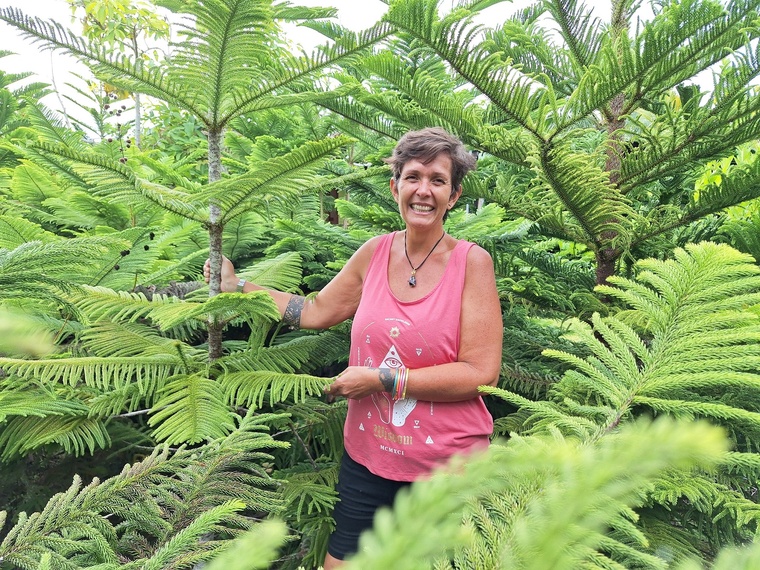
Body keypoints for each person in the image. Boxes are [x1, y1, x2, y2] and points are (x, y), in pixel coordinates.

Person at [203, 127, 503, 568]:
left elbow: (481, 373)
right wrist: (240, 287)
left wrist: (383, 379)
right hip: (370, 459)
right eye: (414, 176)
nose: (424, 190)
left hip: (448, 467)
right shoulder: (374, 253)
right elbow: (317, 310)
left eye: (438, 180)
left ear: (454, 195)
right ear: (394, 186)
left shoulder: (471, 263)